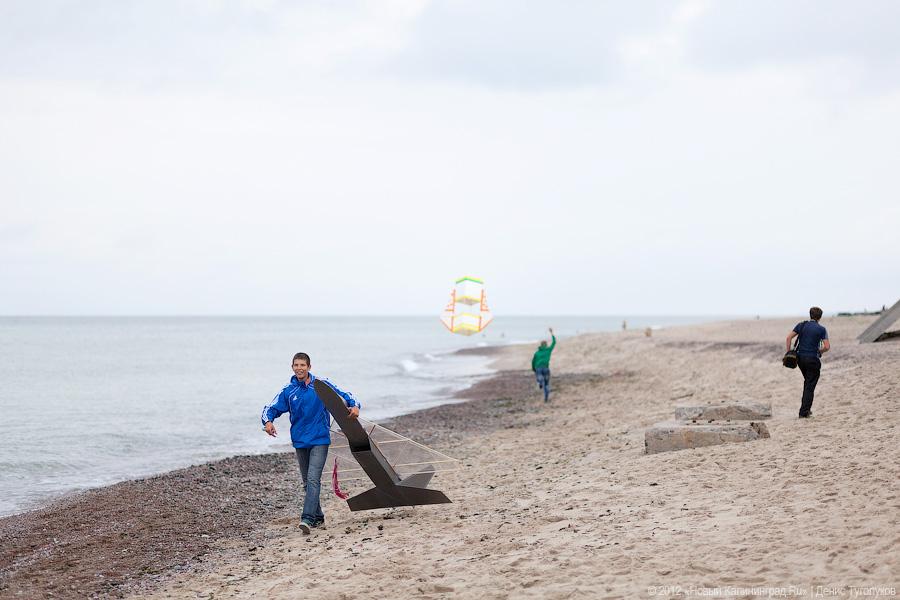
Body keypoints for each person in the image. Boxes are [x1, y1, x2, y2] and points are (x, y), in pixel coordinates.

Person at [261, 352, 360, 534]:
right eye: (296, 365)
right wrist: (268, 422)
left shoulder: (320, 385)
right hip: (300, 440)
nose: (299, 368)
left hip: (320, 439)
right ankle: (319, 518)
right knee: (307, 482)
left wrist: (355, 406)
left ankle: (307, 518)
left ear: (309, 367)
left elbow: (346, 394)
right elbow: (270, 408)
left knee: (313, 479)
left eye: (302, 365)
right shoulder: (288, 391)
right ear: (292, 367)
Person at [785, 307, 830, 418]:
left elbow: (788, 338)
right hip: (813, 360)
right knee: (810, 386)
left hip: (800, 359)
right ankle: (804, 412)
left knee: (808, 383)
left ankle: (806, 409)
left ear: (810, 315)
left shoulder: (801, 325)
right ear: (820, 317)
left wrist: (789, 352)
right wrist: (820, 351)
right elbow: (827, 347)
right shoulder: (821, 329)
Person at [531, 327, 556, 402]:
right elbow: (554, 342)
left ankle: (540, 381)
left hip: (538, 368)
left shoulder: (537, 353)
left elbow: (533, 361)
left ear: (541, 345)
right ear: (546, 345)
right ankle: (546, 397)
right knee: (547, 384)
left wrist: (533, 369)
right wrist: (552, 333)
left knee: (539, 378)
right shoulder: (548, 350)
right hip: (546, 368)